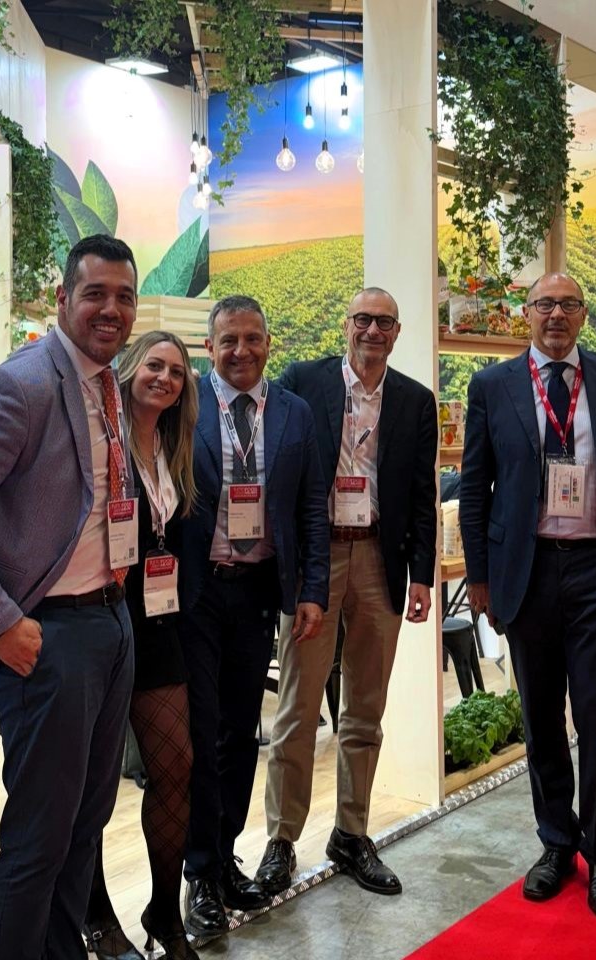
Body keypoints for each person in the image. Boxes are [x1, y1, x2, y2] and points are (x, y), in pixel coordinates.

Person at [0, 235, 140, 960]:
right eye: (95, 294)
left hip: (108, 622)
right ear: (63, 299)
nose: (110, 310)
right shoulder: (22, 385)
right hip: (46, 640)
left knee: (84, 827)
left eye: (124, 297)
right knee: (40, 842)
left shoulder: (106, 383)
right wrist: (0, 623)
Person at [457, 272, 596, 919]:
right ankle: (555, 842)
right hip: (528, 570)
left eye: (568, 304)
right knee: (540, 716)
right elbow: (475, 484)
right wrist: (480, 578)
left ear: (584, 315)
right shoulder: (492, 385)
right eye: (544, 304)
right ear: (527, 313)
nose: (556, 315)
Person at [255, 287, 438, 897]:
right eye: (364, 319)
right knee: (298, 706)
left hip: (380, 560)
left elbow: (422, 495)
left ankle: (351, 832)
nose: (373, 331)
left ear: (397, 332)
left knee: (365, 709)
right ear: (345, 325)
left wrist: (421, 573)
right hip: (317, 560)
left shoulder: (415, 400)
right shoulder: (302, 384)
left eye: (385, 322)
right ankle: (282, 840)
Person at [176, 295, 331, 939]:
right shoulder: (182, 405)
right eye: (229, 340)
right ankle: (198, 873)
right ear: (209, 348)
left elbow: (313, 507)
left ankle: (224, 856)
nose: (241, 350)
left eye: (252, 338)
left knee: (242, 732)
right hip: (196, 592)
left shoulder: (295, 412)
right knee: (200, 733)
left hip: (259, 590)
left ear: (269, 343)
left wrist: (312, 588)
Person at [84, 332, 201, 960]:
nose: (165, 378)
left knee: (175, 764)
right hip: (101, 615)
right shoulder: (104, 438)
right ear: (129, 369)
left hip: (159, 621)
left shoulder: (174, 449)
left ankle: (163, 909)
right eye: (154, 365)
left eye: (177, 371)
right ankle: (96, 913)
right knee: (95, 782)